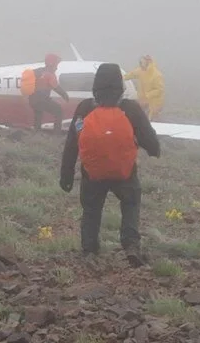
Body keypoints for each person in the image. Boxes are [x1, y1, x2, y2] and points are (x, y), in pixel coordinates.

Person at [60, 63, 160, 265]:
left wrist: (66, 174)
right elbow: (149, 140)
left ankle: (89, 250)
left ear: (95, 85)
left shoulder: (85, 108)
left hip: (93, 173)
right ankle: (131, 244)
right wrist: (154, 150)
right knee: (131, 203)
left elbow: (72, 143)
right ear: (120, 85)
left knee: (91, 209)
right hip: (124, 173)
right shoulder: (130, 109)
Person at [29, 53, 70, 131]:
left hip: (32, 99)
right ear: (52, 64)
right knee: (59, 111)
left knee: (38, 115)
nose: (56, 67)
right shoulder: (49, 73)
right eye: (56, 64)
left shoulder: (38, 71)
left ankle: (36, 132)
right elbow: (56, 87)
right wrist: (65, 95)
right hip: (42, 99)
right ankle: (57, 133)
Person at [123, 55, 165, 120]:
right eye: (140, 62)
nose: (140, 64)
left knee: (152, 120)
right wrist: (122, 77)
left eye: (142, 63)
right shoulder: (140, 71)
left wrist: (147, 95)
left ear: (147, 63)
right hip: (142, 101)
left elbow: (160, 90)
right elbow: (131, 74)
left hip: (153, 103)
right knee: (141, 118)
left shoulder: (156, 75)